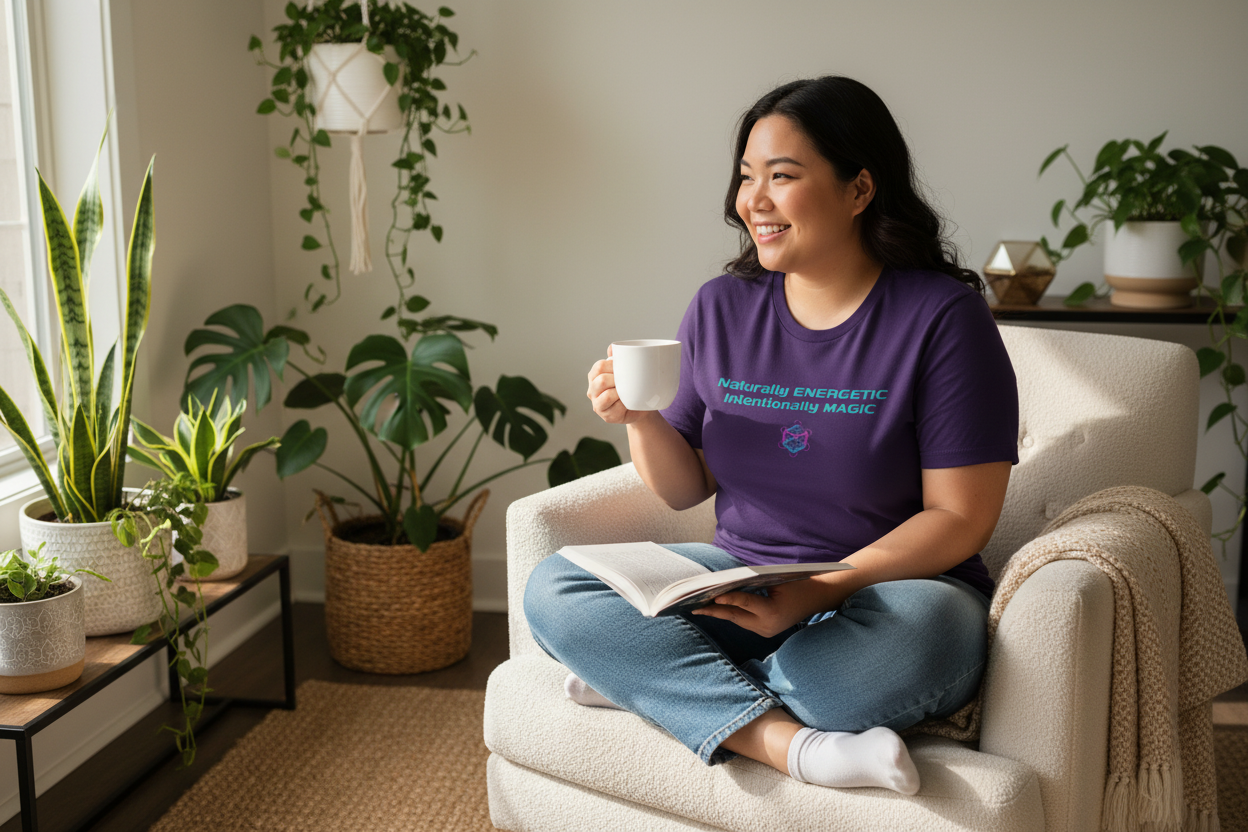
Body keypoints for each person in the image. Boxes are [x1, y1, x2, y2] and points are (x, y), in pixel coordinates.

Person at [523, 75, 1019, 795]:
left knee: (933, 635)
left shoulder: (943, 319)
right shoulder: (723, 307)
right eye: (746, 176)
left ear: (859, 189)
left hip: (891, 593)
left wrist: (824, 587)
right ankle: (791, 744)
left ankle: (660, 684)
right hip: (738, 580)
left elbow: (961, 517)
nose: (750, 200)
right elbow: (685, 484)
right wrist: (641, 420)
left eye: (781, 176)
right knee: (556, 587)